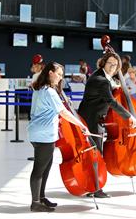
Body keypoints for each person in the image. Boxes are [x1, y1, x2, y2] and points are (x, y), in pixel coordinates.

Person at [28, 62, 90, 212]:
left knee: (45, 167)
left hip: (39, 133)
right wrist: (81, 125)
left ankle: (41, 198)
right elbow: (64, 113)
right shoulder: (49, 91)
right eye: (59, 74)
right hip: (44, 135)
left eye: (62, 75)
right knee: (39, 169)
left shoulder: (39, 88)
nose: (61, 78)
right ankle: (35, 202)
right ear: (50, 73)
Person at [78, 52, 136, 198]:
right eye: (110, 63)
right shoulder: (101, 80)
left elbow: (110, 82)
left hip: (91, 116)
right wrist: (129, 116)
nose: (113, 67)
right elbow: (111, 101)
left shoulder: (102, 76)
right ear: (103, 63)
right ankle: (95, 189)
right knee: (96, 153)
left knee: (94, 153)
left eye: (115, 65)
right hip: (92, 119)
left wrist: (117, 84)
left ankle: (93, 186)